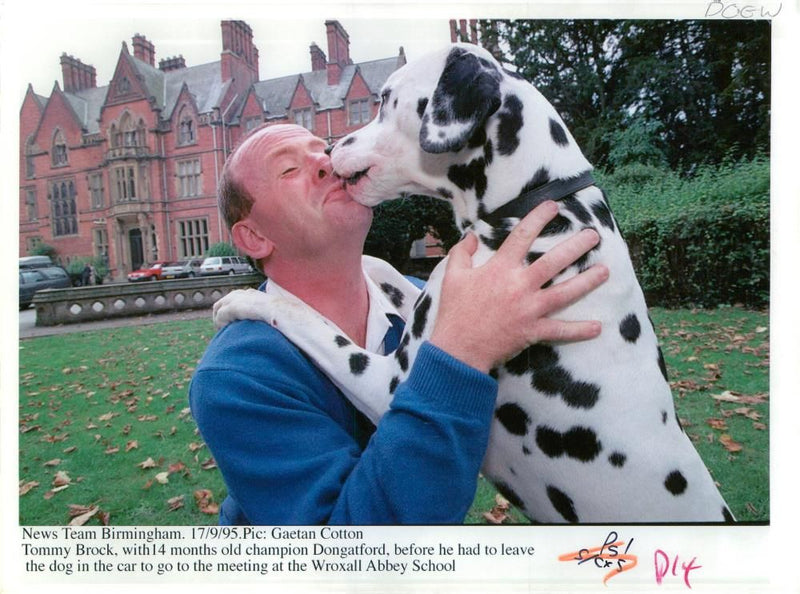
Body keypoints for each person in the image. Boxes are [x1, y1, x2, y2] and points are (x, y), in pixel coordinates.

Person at [189, 124, 609, 525]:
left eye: (324, 148)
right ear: (253, 238)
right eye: (289, 169)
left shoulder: (421, 298)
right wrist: (461, 352)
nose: (328, 161)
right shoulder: (237, 378)